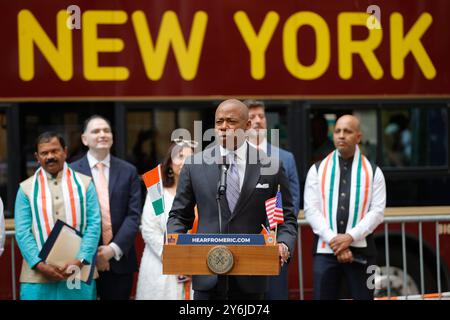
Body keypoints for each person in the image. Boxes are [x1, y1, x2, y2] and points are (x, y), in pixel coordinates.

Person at [167, 99, 298, 300]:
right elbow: (179, 216)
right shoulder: (195, 165)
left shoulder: (270, 166)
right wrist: (175, 244)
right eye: (219, 122)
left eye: (231, 121)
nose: (223, 128)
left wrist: (284, 244)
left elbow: (285, 218)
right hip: (206, 272)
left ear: (247, 126)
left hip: (252, 276)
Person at [304, 115, 386, 300]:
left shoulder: (374, 172)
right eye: (337, 131)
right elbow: (311, 209)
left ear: (358, 137)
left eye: (347, 131)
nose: (341, 135)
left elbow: (377, 212)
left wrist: (350, 237)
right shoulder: (316, 169)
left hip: (364, 253)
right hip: (325, 252)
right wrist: (336, 242)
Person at [14, 132, 100, 300]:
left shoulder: (85, 184)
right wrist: (40, 265)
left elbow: (94, 225)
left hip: (78, 272)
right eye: (44, 153)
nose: (50, 156)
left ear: (65, 152)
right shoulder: (25, 189)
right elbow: (22, 232)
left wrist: (80, 260)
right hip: (37, 275)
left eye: (55, 151)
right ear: (37, 157)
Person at [71, 115, 142, 300]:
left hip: (120, 259)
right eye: (95, 131)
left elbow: (133, 216)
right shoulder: (71, 172)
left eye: (106, 130)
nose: (102, 134)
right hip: (80, 260)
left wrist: (111, 250)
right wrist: (94, 254)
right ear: (84, 139)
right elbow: (70, 217)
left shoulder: (129, 171)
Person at [243, 99, 300, 300]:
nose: (258, 121)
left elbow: (291, 204)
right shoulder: (233, 157)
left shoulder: (285, 158)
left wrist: (282, 240)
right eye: (252, 117)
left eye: (261, 116)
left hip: (275, 246)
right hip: (243, 246)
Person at [136, 140, 195, 300]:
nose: (184, 162)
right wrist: (173, 257)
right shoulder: (157, 191)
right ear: (169, 163)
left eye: (190, 158)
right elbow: (149, 230)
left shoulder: (201, 192)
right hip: (160, 264)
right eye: (180, 156)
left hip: (195, 265)